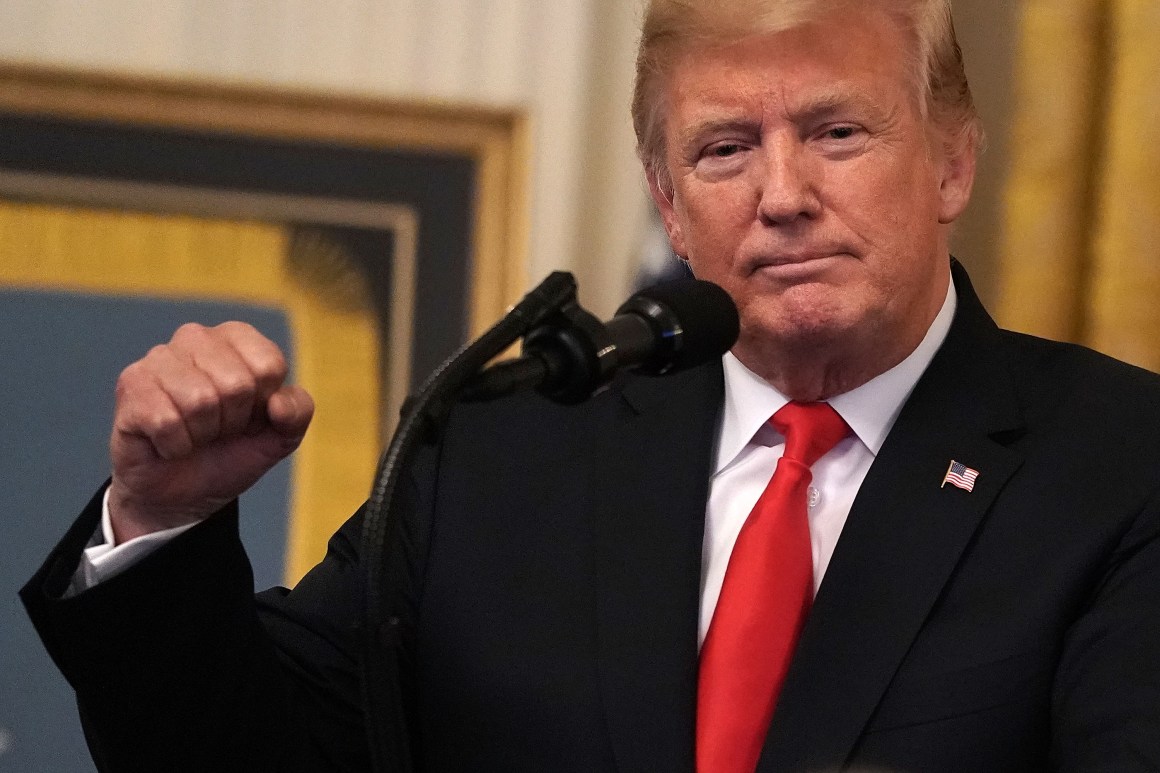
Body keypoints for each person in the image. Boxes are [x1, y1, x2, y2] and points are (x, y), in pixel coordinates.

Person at [21, 0, 1160, 771]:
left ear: (952, 158)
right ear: (668, 203)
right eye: (723, 149)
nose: (781, 193)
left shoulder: (1117, 463)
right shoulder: (497, 450)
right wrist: (161, 519)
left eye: (836, 131)